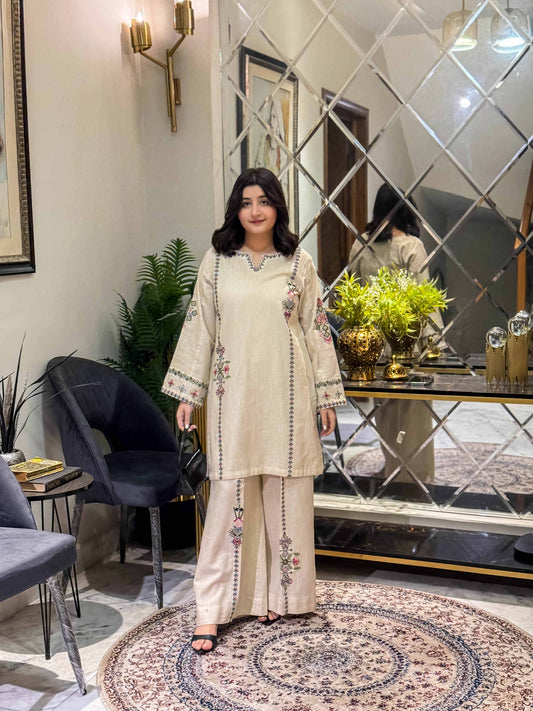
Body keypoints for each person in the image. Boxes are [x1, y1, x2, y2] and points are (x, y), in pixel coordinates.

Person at [162, 167, 346, 653]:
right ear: (236, 210)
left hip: (288, 397)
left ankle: (277, 596)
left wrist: (326, 396)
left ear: (277, 206)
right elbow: (200, 327)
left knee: (286, 495)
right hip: (234, 399)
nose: (255, 211)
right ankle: (212, 609)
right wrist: (188, 393)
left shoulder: (299, 263)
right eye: (246, 203)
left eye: (263, 201)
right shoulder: (217, 262)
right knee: (229, 498)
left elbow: (316, 330)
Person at [348, 183, 442, 483]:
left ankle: (392, 467)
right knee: (414, 413)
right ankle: (415, 476)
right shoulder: (411, 246)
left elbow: (353, 293)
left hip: (373, 343)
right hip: (406, 341)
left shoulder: (361, 245)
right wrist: (435, 342)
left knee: (385, 411)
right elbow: (423, 297)